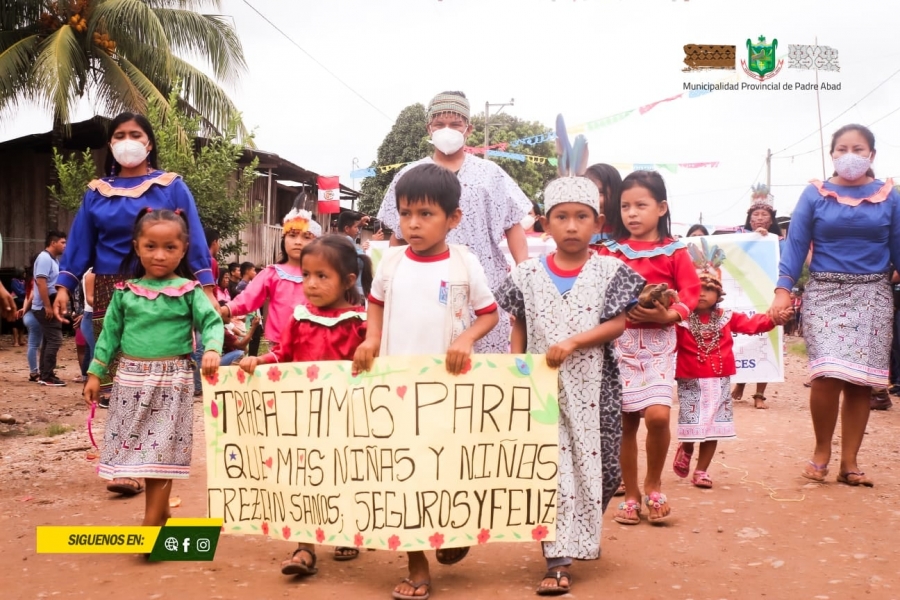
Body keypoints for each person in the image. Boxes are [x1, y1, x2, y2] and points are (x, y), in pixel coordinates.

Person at [495, 151, 644, 595]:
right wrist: (516, 367)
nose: (573, 226)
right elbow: (517, 322)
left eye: (582, 217)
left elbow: (620, 322)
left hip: (597, 386)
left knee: (604, 472)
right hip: (543, 390)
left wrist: (576, 341)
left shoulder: (610, 270)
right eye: (562, 217)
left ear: (598, 222)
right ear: (544, 224)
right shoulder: (525, 275)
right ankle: (557, 558)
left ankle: (579, 530)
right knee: (551, 470)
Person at [354, 163, 500, 600]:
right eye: (405, 213)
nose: (413, 224)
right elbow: (375, 304)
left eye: (425, 214)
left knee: (448, 469)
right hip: (397, 390)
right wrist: (371, 338)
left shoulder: (464, 261)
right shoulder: (391, 261)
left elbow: (488, 313)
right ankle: (417, 567)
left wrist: (469, 339)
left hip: (449, 390)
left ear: (453, 218)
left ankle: (454, 530)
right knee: (405, 476)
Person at [54, 112, 216, 407]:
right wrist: (64, 286)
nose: (127, 141)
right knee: (113, 361)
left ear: (150, 144)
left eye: (135, 135)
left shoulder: (172, 186)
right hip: (108, 285)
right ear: (110, 144)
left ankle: (163, 417)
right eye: (120, 136)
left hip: (164, 283)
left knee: (159, 351)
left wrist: (206, 287)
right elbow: (80, 242)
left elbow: (193, 238)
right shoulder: (97, 192)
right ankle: (121, 427)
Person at [770, 123, 900, 487]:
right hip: (825, 292)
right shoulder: (815, 195)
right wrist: (783, 289)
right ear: (832, 155)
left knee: (860, 382)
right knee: (826, 373)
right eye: (842, 149)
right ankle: (821, 451)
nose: (850, 156)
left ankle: (850, 462)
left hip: (873, 295)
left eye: (859, 149)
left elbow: (898, 244)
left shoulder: (890, 196)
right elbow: (795, 245)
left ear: (872, 155)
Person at [238, 235, 371, 573]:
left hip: (346, 420)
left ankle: (348, 531)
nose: (310, 284)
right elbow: (284, 354)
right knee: (303, 479)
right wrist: (261, 361)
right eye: (306, 275)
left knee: (345, 475)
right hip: (304, 419)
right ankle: (304, 548)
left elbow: (375, 367)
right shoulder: (298, 317)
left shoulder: (361, 324)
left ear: (349, 281)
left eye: (321, 276)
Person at [83, 208, 222, 521]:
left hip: (172, 383)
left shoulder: (189, 292)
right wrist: (95, 372)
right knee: (137, 451)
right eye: (151, 247)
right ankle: (159, 514)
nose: (160, 255)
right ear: (137, 247)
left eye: (170, 247)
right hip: (129, 382)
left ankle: (151, 520)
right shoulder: (124, 294)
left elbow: (212, 322)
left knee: (163, 450)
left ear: (183, 249)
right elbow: (108, 336)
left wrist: (213, 348)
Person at [377, 90, 531, 353]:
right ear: (429, 128)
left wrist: (525, 273)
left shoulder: (491, 174)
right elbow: (398, 235)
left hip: (484, 281)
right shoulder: (410, 175)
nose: (446, 129)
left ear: (468, 129)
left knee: (484, 367)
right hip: (425, 283)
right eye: (439, 124)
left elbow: (513, 224)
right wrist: (391, 277)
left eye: (455, 124)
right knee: (430, 356)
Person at [596, 170, 701, 525]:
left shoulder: (674, 250)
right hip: (619, 341)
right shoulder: (610, 250)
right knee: (626, 421)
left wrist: (669, 315)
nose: (632, 213)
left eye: (641, 205)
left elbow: (690, 291)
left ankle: (654, 483)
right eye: (625, 206)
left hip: (658, 343)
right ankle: (633, 494)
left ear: (661, 208)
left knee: (657, 415)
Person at [673, 274, 788, 488]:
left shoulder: (726, 316)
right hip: (690, 380)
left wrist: (774, 318)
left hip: (719, 380)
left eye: (708, 289)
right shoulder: (680, 319)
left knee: (713, 428)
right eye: (696, 288)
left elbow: (752, 324)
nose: (701, 293)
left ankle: (701, 471)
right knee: (692, 425)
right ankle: (687, 448)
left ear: (718, 294)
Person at [221, 205, 321, 353]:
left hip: (315, 345)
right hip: (278, 346)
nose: (298, 242)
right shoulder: (272, 273)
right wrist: (227, 309)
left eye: (306, 237)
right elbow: (249, 297)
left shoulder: (322, 275)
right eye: (292, 235)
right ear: (284, 239)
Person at [731, 184, 783, 409]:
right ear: (749, 220)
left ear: (771, 220)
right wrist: (753, 238)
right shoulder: (737, 238)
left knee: (766, 339)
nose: (760, 218)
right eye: (756, 214)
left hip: (768, 296)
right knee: (742, 339)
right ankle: (740, 383)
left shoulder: (779, 242)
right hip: (742, 295)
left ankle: (759, 394)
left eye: (764, 214)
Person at [32, 231, 67, 387]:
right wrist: (47, 306)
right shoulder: (45, 258)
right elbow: (41, 283)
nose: (65, 246)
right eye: (62, 242)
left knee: (48, 340)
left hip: (51, 302)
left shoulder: (53, 260)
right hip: (45, 304)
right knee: (55, 339)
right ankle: (47, 375)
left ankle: (45, 374)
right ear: (53, 243)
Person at [337, 210, 369, 297]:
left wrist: (359, 225)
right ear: (347, 229)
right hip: (355, 291)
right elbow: (361, 262)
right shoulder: (347, 242)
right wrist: (370, 250)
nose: (358, 230)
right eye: (356, 227)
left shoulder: (338, 240)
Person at [10, 268, 26, 346]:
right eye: (23, 273)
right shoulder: (14, 281)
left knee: (22, 321)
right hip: (15, 302)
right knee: (15, 321)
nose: (25, 274)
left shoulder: (24, 282)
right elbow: (18, 292)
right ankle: (15, 341)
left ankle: (21, 340)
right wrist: (26, 293)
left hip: (22, 302)